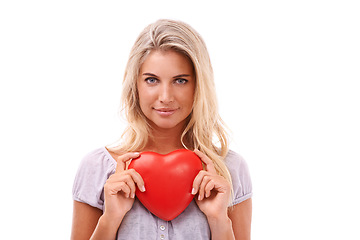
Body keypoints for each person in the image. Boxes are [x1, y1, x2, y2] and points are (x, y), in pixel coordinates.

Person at [71, 19, 252, 240]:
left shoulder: (229, 170)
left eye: (180, 81)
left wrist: (218, 221)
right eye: (152, 80)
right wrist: (110, 219)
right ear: (135, 85)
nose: (165, 97)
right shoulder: (97, 169)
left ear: (198, 85)